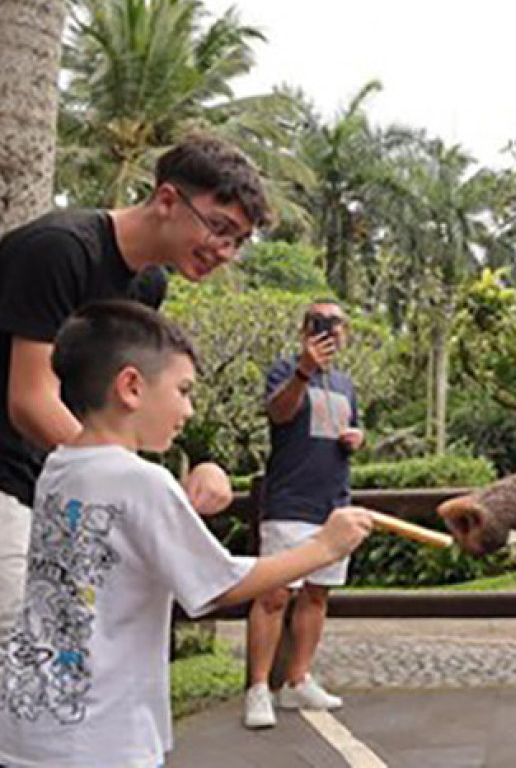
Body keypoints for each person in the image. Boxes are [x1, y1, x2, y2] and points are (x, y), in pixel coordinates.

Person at [0, 301, 374, 767]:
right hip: (102, 740)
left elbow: (119, 532)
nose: (189, 409)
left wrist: (189, 494)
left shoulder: (59, 466)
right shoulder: (142, 481)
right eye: (183, 390)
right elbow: (220, 583)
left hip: (30, 729)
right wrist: (324, 547)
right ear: (131, 387)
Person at [0, 134, 270, 640]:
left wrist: (195, 469)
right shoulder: (60, 250)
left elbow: (121, 410)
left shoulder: (148, 286)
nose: (224, 251)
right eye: (219, 227)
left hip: (55, 489)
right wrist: (138, 487)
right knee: (20, 645)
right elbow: (31, 401)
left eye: (237, 241)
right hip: (7, 486)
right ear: (166, 199)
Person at [244, 300, 365, 729]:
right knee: (274, 594)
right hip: (289, 502)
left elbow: (353, 427)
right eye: (321, 322)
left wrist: (357, 438)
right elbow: (279, 413)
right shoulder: (285, 370)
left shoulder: (346, 384)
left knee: (317, 594)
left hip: (333, 503)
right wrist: (303, 371)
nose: (331, 329)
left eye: (338, 323)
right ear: (304, 330)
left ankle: (298, 680)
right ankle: (259, 688)